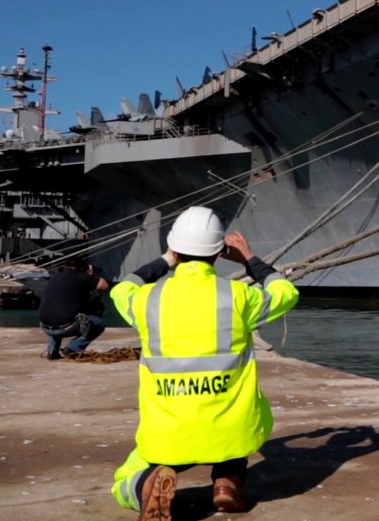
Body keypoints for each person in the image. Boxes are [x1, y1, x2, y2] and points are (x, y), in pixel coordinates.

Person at [109, 206, 298, 517]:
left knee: (126, 476)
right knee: (237, 420)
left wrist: (166, 259)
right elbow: (285, 292)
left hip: (168, 430)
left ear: (176, 249)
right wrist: (249, 259)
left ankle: (143, 487)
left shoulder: (147, 300)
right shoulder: (238, 296)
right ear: (219, 252)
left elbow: (123, 288)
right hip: (230, 428)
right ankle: (228, 481)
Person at [38, 258, 109, 360]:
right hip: (65, 327)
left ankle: (52, 350)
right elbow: (104, 285)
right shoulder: (82, 277)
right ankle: (73, 348)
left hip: (45, 326)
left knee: (56, 313)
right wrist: (90, 274)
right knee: (99, 324)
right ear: (81, 267)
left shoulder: (54, 278)